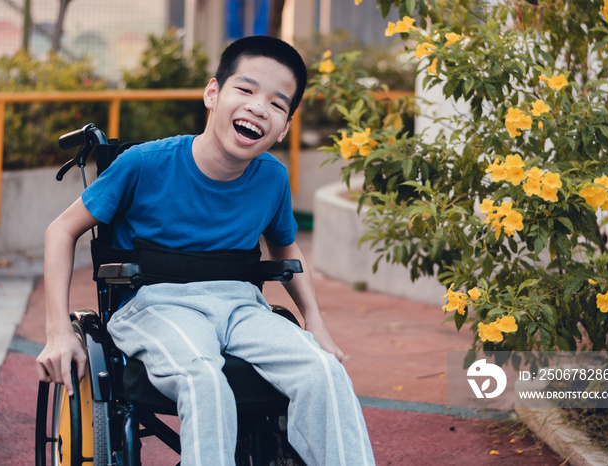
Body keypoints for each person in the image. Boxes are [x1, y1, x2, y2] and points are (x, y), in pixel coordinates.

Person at [36, 35, 375, 466]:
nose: (258, 107)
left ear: (285, 125)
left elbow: (287, 250)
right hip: (154, 304)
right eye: (246, 90)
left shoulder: (271, 178)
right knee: (202, 378)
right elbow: (60, 231)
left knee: (324, 371)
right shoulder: (144, 164)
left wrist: (316, 322)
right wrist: (58, 332)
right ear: (213, 94)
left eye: (277, 103)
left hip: (240, 306)